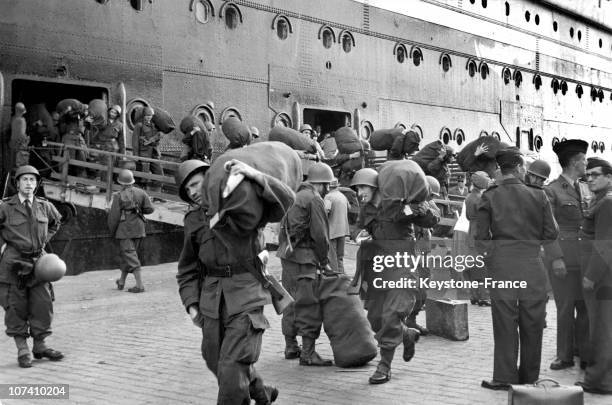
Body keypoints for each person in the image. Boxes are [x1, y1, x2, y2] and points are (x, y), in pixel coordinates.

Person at [175, 157, 294, 404]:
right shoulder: (193, 221)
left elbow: (286, 201)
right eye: (188, 190)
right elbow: (187, 268)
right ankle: (262, 393)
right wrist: (191, 304)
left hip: (246, 293)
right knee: (215, 359)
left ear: (210, 180)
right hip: (211, 301)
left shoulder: (241, 202)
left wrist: (254, 175)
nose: (193, 192)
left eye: (196, 184)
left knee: (231, 366)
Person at [476, 148, 559, 390]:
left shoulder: (489, 195)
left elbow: (481, 239)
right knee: (533, 321)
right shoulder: (538, 195)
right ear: (520, 168)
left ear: (502, 169)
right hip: (532, 265)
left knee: (504, 321)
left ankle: (504, 377)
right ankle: (529, 378)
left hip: (503, 266)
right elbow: (551, 234)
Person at [351, 167, 440, 384]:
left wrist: (420, 207)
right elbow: (358, 229)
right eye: (357, 188)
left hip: (401, 267)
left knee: (391, 316)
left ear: (375, 187)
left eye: (363, 187)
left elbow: (433, 218)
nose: (359, 192)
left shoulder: (399, 207)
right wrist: (359, 235)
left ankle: (384, 366)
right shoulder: (366, 210)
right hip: (376, 269)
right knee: (375, 319)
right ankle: (407, 334)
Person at [0, 165, 63, 368]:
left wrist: (44, 240)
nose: (29, 183)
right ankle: (22, 349)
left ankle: (40, 346)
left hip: (39, 263)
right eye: (25, 180)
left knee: (42, 304)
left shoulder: (44, 206)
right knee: (15, 306)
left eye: (32, 180)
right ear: (17, 183)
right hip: (13, 263)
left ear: (37, 184)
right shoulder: (5, 207)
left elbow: (56, 222)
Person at [277, 162, 334, 366]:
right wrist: (324, 260)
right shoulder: (314, 199)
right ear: (321, 184)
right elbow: (321, 236)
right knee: (309, 304)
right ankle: (308, 353)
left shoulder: (294, 195)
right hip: (305, 260)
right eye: (327, 185)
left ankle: (291, 346)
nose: (328, 189)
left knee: (290, 302)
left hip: (288, 257)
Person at [542, 140, 591, 371]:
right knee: (564, 307)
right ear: (573, 162)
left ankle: (583, 350)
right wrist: (556, 258)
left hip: (584, 258)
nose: (586, 163)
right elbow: (546, 229)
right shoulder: (551, 191)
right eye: (583, 159)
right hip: (564, 259)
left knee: (584, 306)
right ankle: (565, 355)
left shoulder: (585, 188)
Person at [576, 157, 612, 395]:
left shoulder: (607, 203)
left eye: (596, 174)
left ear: (609, 178)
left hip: (602, 277)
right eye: (587, 175)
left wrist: (590, 276)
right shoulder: (600, 201)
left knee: (602, 329)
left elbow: (605, 244)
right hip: (601, 274)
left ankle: (599, 381)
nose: (590, 179)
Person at [107, 169, 154, 293]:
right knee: (128, 255)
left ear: (121, 183)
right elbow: (150, 209)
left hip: (124, 231)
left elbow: (114, 217)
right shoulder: (141, 192)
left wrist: (112, 232)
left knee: (131, 257)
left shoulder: (118, 196)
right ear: (132, 181)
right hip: (139, 229)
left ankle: (139, 286)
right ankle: (121, 281)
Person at [409, 175, 443, 334]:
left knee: (423, 286)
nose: (430, 198)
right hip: (410, 251)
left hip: (423, 253)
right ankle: (403, 321)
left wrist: (427, 210)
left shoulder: (428, 203)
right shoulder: (408, 202)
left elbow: (437, 216)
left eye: (432, 197)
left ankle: (412, 319)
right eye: (429, 195)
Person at [463, 171, 492, 306]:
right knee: (482, 268)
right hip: (479, 232)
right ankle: (483, 297)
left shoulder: (470, 196)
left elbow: (469, 217)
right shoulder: (480, 198)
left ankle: (474, 295)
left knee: (475, 266)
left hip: (472, 231)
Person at [132, 107, 164, 192]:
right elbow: (135, 141)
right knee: (142, 177)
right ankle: (139, 195)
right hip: (143, 154)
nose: (149, 117)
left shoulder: (154, 125)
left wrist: (158, 136)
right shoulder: (139, 125)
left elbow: (159, 137)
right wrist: (135, 155)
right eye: (147, 115)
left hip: (154, 153)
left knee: (159, 174)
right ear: (143, 115)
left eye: (150, 115)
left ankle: (158, 196)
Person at [324, 178, 350, 273]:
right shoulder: (343, 196)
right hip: (343, 231)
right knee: (340, 257)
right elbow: (349, 208)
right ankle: (342, 276)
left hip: (332, 232)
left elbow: (326, 211)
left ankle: (335, 279)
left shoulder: (328, 197)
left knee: (332, 257)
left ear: (328, 186)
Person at [9, 102, 30, 170]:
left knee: (13, 167)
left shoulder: (12, 119)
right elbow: (21, 134)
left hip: (12, 145)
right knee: (21, 168)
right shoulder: (22, 120)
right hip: (20, 146)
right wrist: (27, 139)